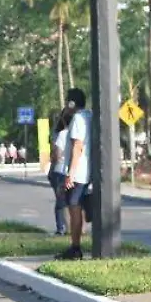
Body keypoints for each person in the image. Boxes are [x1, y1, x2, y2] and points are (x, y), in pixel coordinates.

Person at [61, 89, 92, 258]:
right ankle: (75, 246)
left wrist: (70, 174)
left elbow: (77, 146)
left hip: (79, 173)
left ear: (71, 103)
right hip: (86, 171)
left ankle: (75, 247)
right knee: (78, 208)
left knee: (74, 208)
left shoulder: (78, 119)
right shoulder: (89, 116)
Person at [47, 107, 74, 236]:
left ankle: (62, 228)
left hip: (61, 170)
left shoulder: (62, 134)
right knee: (73, 201)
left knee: (61, 202)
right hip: (75, 171)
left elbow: (56, 156)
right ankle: (74, 228)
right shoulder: (82, 134)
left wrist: (52, 159)